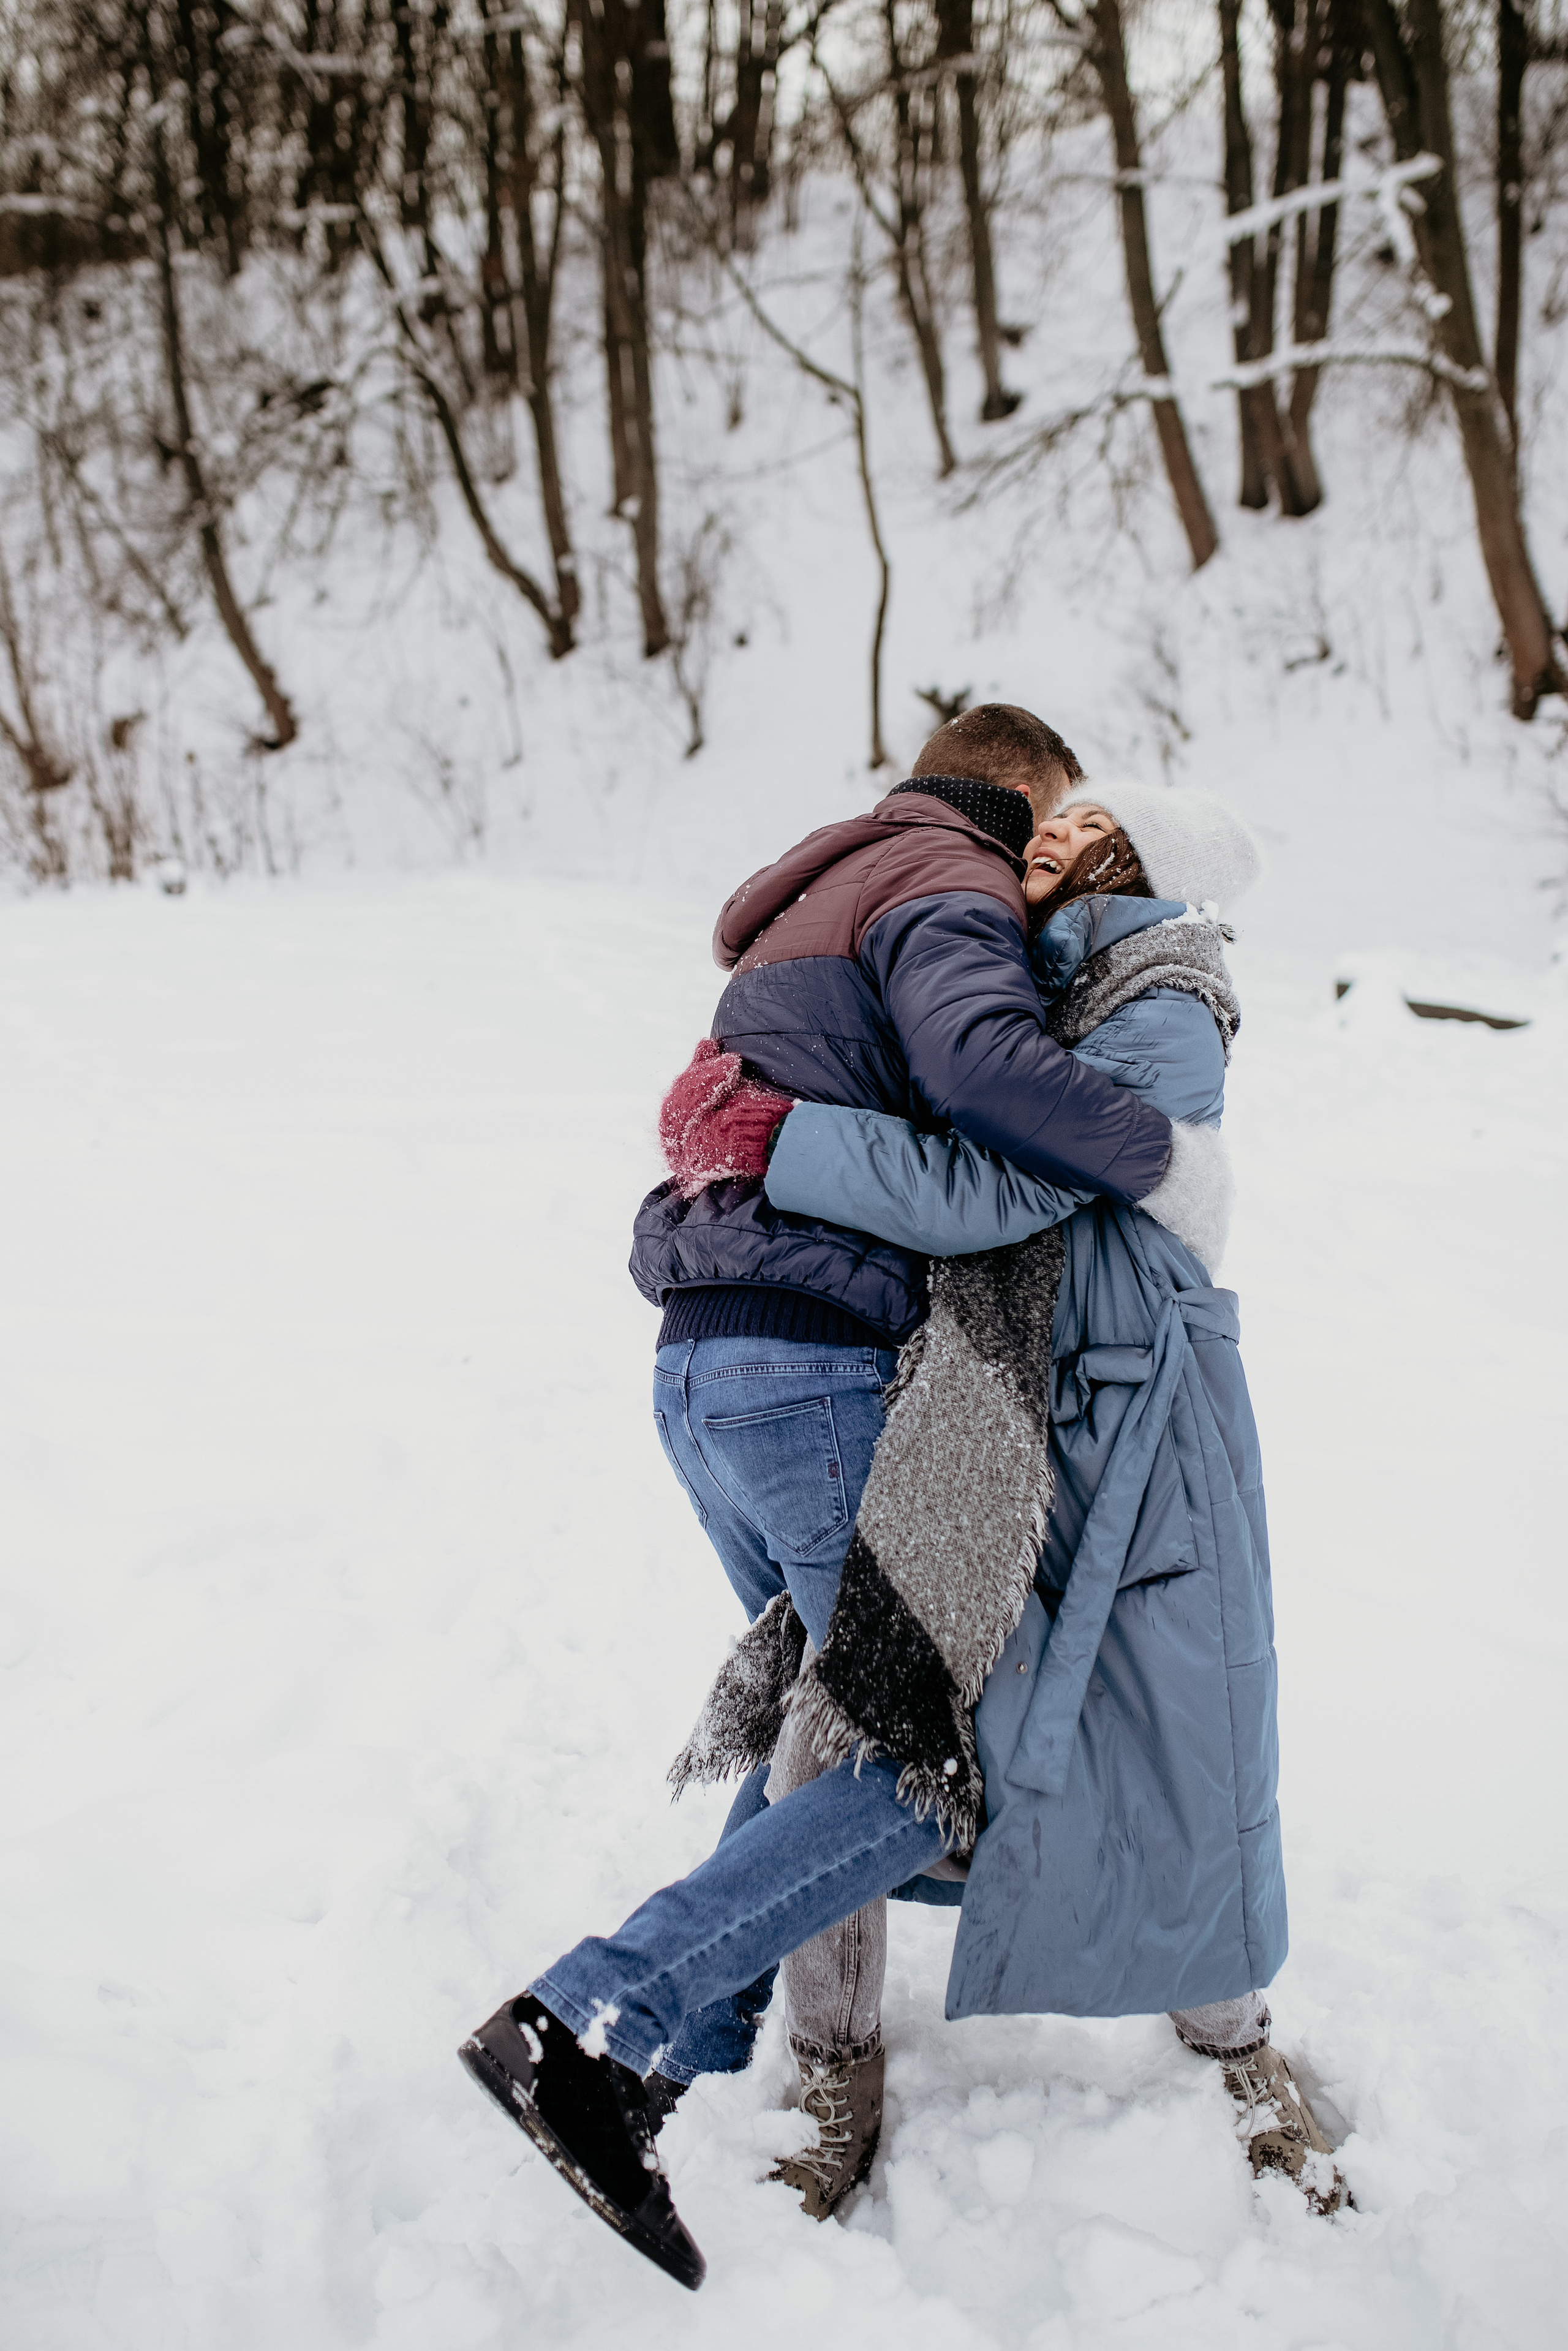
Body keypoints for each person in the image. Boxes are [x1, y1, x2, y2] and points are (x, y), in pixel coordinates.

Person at [456, 744, 1308, 2290]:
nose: (1057, 844)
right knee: (910, 1751)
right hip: (898, 1384)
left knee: (918, 1709)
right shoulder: (969, 918)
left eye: (1095, 830)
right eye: (1054, 817)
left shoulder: (1124, 982)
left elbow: (1009, 1168)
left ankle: (652, 2039)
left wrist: (782, 1137)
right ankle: (612, 2024)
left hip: (1026, 1410)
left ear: (1144, 870)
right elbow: (994, 1138)